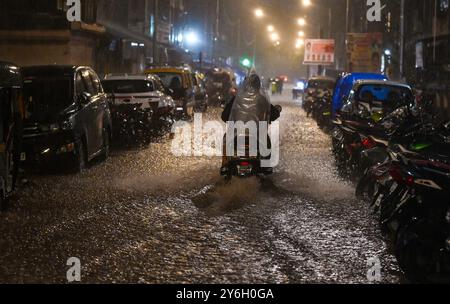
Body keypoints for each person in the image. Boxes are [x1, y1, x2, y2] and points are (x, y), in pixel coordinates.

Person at [220, 73, 280, 174]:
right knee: (266, 140)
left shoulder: (237, 99)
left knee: (226, 138)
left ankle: (225, 164)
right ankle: (266, 165)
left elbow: (224, 116)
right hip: (257, 133)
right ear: (258, 85)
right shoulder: (262, 99)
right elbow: (274, 114)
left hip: (237, 132)